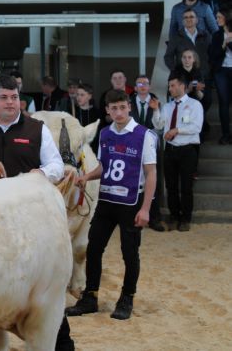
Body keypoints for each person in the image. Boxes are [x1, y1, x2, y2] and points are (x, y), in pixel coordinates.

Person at [0, 75, 72, 350]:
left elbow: (57, 165)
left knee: (42, 290)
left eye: (14, 97)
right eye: (3, 97)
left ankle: (62, 343)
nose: (10, 102)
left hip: (28, 223)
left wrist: (41, 172)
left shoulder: (37, 129)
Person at [66, 89, 157, 321]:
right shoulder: (105, 134)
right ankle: (90, 297)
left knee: (130, 254)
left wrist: (146, 208)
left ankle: (127, 298)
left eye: (122, 107)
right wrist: (86, 177)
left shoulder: (144, 135)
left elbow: (151, 173)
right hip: (106, 201)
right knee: (93, 249)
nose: (118, 112)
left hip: (131, 203)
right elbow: (103, 167)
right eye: (113, 108)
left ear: (129, 107)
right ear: (107, 110)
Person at [152, 74, 203, 231]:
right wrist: (155, 111)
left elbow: (196, 128)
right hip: (170, 150)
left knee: (186, 186)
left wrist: (176, 130)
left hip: (188, 150)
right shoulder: (167, 107)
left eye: (173, 85)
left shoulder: (195, 105)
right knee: (171, 186)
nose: (170, 89)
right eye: (169, 86)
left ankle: (186, 219)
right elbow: (159, 126)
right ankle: (174, 217)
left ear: (182, 86)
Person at [129, 75, 165, 232]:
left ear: (149, 86)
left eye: (145, 83)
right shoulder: (129, 102)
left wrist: (156, 109)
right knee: (133, 180)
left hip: (152, 146)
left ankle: (155, 217)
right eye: (139, 83)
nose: (142, 86)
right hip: (133, 145)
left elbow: (159, 125)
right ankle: (133, 215)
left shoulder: (156, 102)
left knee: (153, 180)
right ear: (135, 87)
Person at [208, 13, 232, 144]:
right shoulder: (217, 35)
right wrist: (224, 44)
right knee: (223, 102)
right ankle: (225, 134)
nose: (216, 19)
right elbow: (213, 55)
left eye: (219, 17)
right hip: (221, 71)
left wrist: (230, 42)